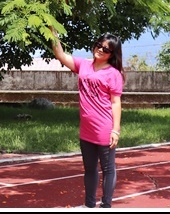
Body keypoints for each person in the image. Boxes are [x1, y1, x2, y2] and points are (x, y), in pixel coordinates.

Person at [52, 29, 124, 208]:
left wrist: (116, 129)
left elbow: (116, 102)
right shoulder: (83, 65)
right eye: (99, 45)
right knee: (90, 169)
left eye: (106, 49)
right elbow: (60, 54)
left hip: (104, 129)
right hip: (86, 129)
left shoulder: (113, 74)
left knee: (108, 169)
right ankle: (90, 205)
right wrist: (52, 30)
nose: (100, 50)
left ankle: (106, 205)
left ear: (112, 54)